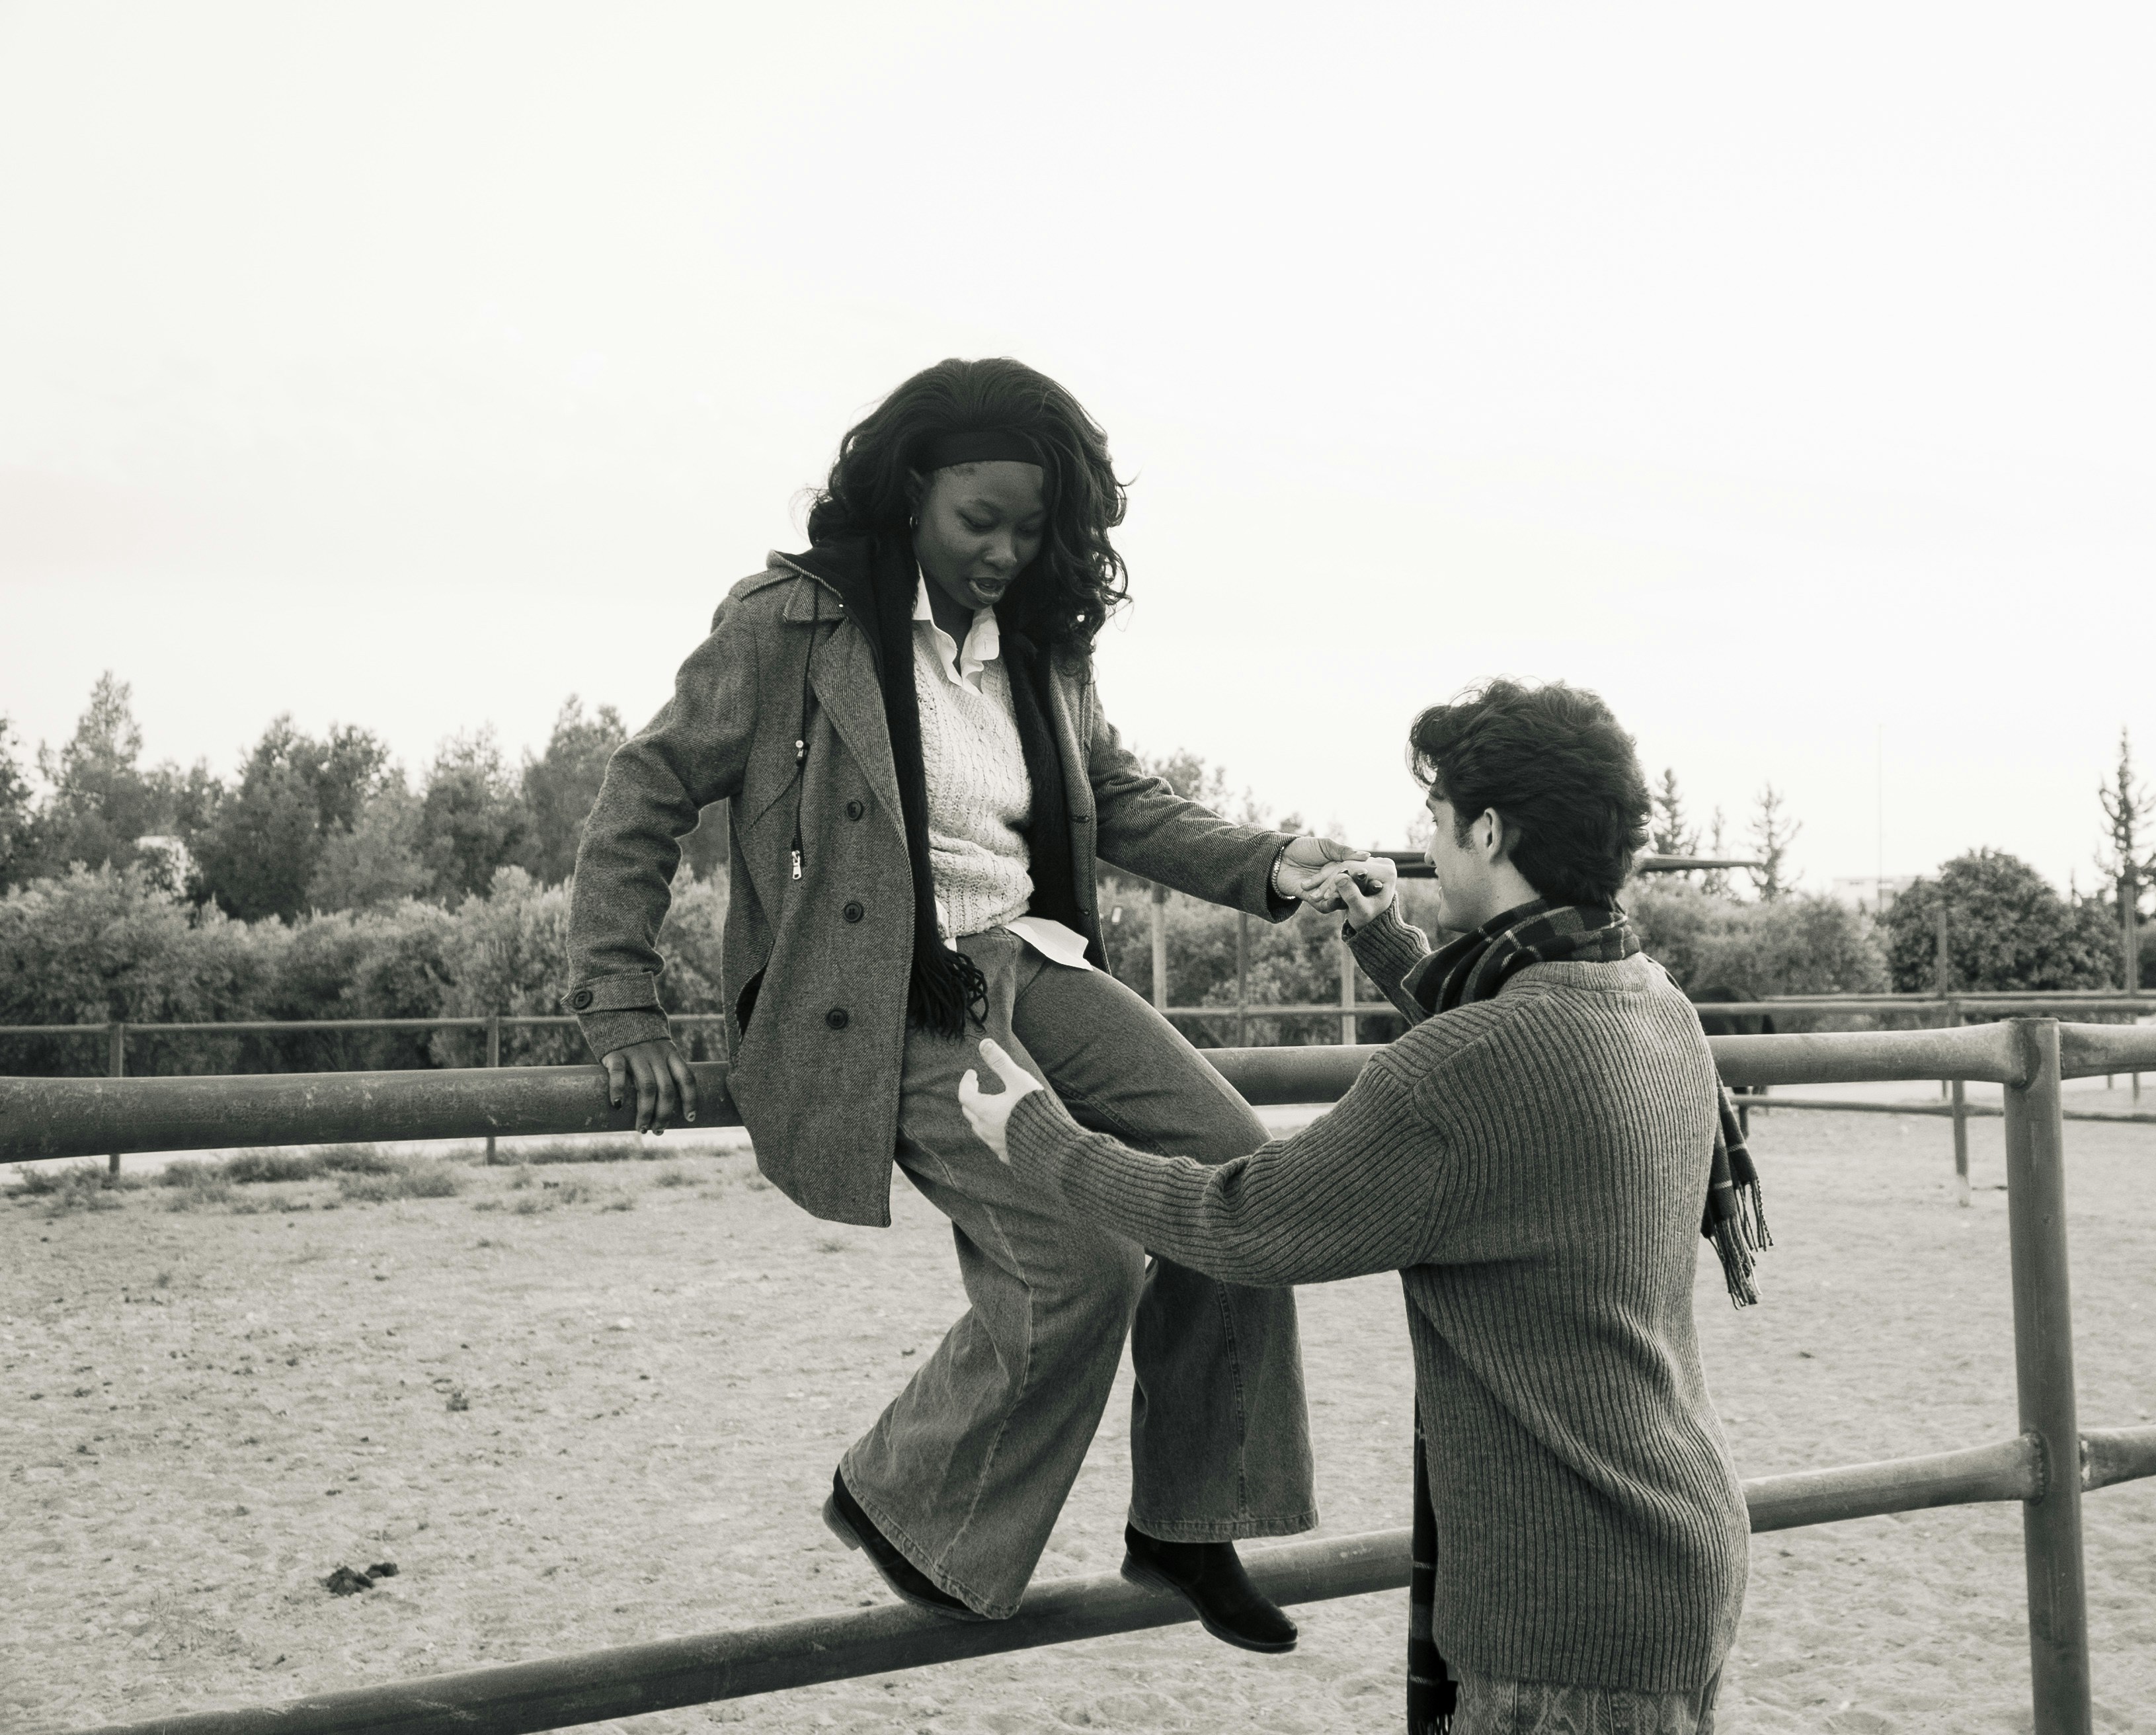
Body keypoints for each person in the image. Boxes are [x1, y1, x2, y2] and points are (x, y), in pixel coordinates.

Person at [563, 357, 1364, 1645]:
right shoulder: (791, 623)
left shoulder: (1038, 647)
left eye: (1029, 527)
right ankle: (908, 1501)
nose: (1001, 550)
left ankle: (1184, 1524)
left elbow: (1126, 802)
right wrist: (622, 1005)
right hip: (884, 996)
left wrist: (1272, 863)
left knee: (1239, 1180)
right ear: (908, 495)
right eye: (975, 520)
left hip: (1028, 958)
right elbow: (644, 791)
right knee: (1086, 1262)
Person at [960, 678, 1754, 1733]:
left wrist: (1039, 1136)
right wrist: (1386, 944)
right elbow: (1517, 1064)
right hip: (1679, 1551)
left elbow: (1240, 1221)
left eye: (1435, 818)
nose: (1426, 839)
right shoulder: (1653, 1003)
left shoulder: (1474, 1064)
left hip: (1565, 1600)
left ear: (1487, 828)